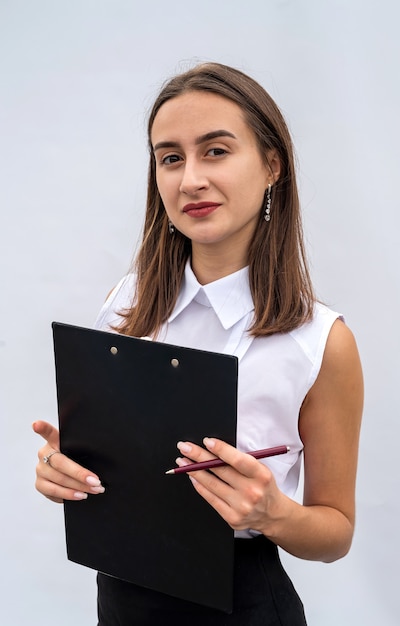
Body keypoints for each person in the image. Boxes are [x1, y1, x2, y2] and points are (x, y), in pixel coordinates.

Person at [33, 62, 363, 625]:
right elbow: (107, 461)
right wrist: (64, 468)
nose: (190, 180)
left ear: (271, 166)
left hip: (243, 606)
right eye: (170, 157)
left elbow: (335, 533)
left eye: (215, 151)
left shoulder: (320, 342)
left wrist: (273, 512)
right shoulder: (126, 302)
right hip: (121, 600)